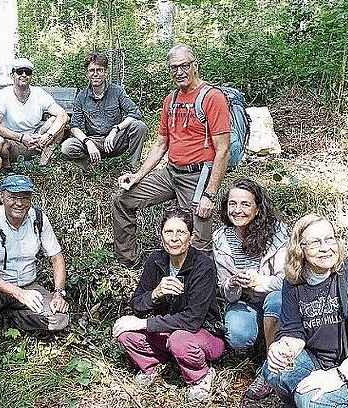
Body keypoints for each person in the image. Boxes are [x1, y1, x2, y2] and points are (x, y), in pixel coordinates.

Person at [112, 44, 231, 267]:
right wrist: (138, 175)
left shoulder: (212, 98)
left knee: (197, 241)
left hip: (197, 177)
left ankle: (199, 290)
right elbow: (161, 144)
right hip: (171, 172)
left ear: (195, 66)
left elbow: (223, 149)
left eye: (184, 66)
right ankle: (130, 262)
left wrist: (210, 194)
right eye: (174, 68)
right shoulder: (172, 99)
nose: (179, 72)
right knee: (123, 202)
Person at [262, 214, 348, 408]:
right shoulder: (293, 281)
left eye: (329, 239)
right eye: (314, 242)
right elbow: (293, 332)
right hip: (316, 359)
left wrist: (337, 376)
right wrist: (280, 348)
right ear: (300, 248)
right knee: (273, 371)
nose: (325, 248)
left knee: (310, 401)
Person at [0, 174, 70, 398]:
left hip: (28, 284)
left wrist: (59, 292)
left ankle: (11, 317)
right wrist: (17, 293)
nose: (19, 203)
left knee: (59, 318)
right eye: (13, 197)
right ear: (3, 196)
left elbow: (57, 258)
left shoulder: (38, 219)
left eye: (24, 197)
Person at [112, 206, 225, 403]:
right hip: (166, 330)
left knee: (179, 340)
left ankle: (201, 377)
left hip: (204, 335)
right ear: (161, 235)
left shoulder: (203, 266)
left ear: (191, 236)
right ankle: (152, 365)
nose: (174, 238)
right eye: (168, 232)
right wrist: (155, 294)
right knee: (125, 332)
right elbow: (137, 305)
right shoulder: (156, 260)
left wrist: (145, 324)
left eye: (181, 232)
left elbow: (192, 320)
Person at [212, 178, 289, 400]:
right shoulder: (221, 238)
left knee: (275, 300)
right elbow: (224, 290)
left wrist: (259, 281)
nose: (238, 210)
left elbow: (287, 280)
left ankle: (270, 367)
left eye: (245, 204)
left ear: (257, 208)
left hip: (274, 298)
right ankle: (255, 347)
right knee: (237, 335)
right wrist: (233, 283)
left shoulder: (277, 234)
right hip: (244, 301)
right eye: (232, 204)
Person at [60, 52, 147, 172]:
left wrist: (115, 129)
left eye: (99, 70)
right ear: (87, 73)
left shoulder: (117, 92)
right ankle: (89, 165)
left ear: (105, 72)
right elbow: (74, 127)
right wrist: (88, 142)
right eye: (92, 70)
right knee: (67, 146)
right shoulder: (81, 97)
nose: (95, 74)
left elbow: (135, 113)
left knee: (139, 126)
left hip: (115, 140)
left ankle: (132, 167)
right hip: (94, 141)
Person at [0, 58, 69, 167]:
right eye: (19, 71)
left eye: (28, 72)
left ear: (31, 76)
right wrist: (22, 138)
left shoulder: (39, 93)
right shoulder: (2, 95)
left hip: (37, 141)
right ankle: (7, 169)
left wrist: (46, 136)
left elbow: (63, 115)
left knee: (57, 121)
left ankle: (42, 165)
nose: (24, 75)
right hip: (12, 142)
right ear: (12, 75)